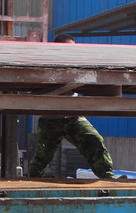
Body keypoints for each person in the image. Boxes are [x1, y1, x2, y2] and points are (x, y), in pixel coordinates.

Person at [27, 34, 116, 179]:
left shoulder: (77, 65)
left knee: (94, 140)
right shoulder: (46, 65)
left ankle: (108, 177)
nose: (70, 52)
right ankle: (31, 181)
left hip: (73, 116)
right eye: (67, 48)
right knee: (42, 156)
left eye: (72, 49)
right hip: (50, 118)